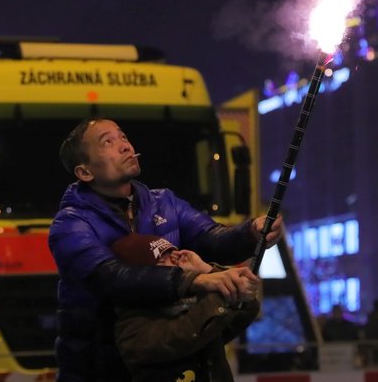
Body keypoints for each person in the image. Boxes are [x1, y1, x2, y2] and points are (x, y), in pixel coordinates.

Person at [48, 118, 283, 382]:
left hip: (170, 365)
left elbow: (212, 238)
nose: (125, 146)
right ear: (85, 172)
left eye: (123, 136)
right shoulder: (70, 223)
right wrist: (197, 280)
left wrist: (251, 231)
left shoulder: (165, 202)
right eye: (108, 142)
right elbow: (110, 277)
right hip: (100, 370)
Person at [110, 232, 260, 382]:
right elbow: (183, 335)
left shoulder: (186, 303)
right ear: (141, 279)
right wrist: (224, 287)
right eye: (161, 263)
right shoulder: (130, 329)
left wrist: (206, 270)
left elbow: (245, 312)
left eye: (173, 258)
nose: (174, 267)